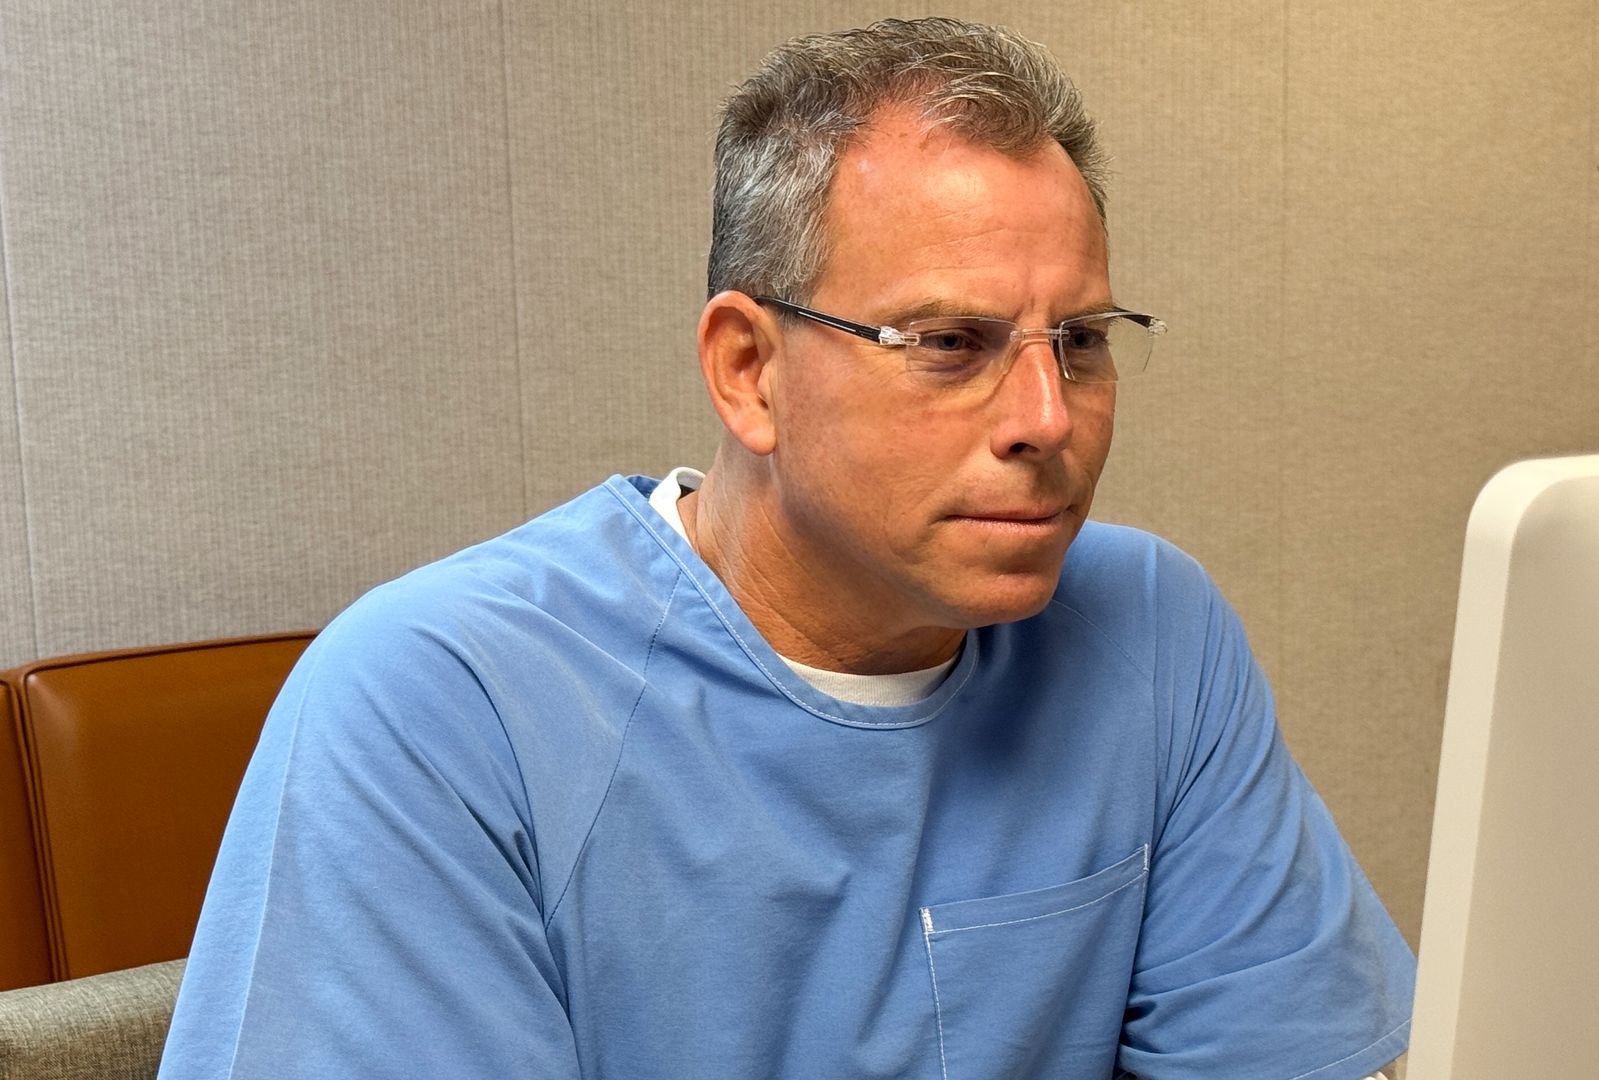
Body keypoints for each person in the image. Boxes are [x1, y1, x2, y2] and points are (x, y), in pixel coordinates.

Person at [159, 18, 1413, 1080]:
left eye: (1080, 341)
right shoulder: (443, 702)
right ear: (748, 371)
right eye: (950, 344)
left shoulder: (1150, 631)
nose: (1047, 419)